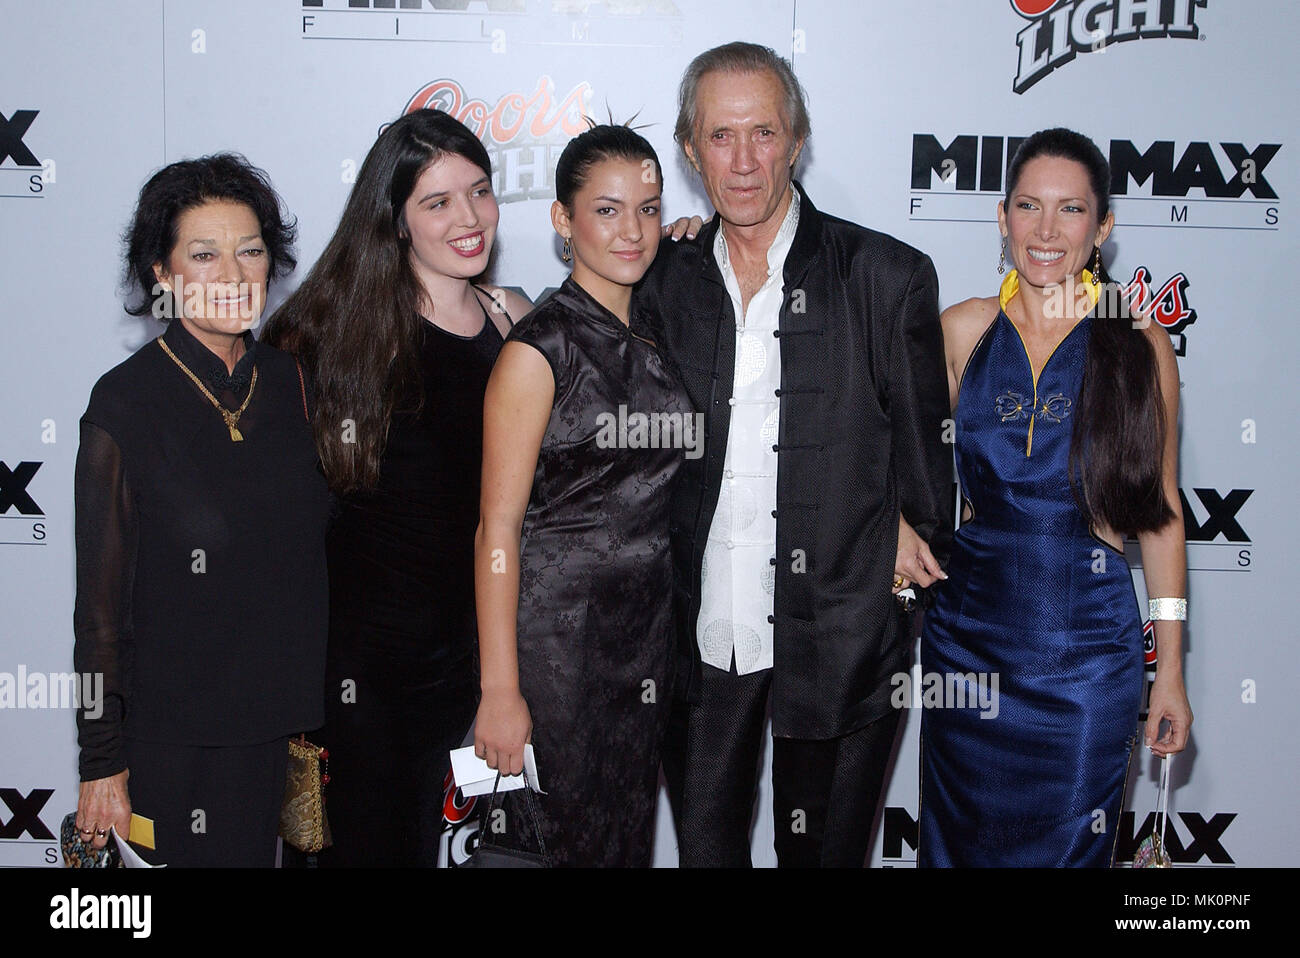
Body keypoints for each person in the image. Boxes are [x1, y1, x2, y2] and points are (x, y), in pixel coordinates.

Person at [635, 42, 953, 867]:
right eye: (720, 136)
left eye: (764, 133)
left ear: (798, 140)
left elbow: (929, 477)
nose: (743, 162)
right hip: (701, 643)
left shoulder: (885, 276)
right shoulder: (660, 280)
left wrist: (897, 538)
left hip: (841, 640)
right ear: (690, 147)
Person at [916, 127, 1193, 867]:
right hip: (966, 651)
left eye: (1070, 211)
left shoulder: (1138, 340)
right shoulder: (961, 330)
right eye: (1028, 207)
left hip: (1086, 662)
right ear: (1002, 216)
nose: (1045, 231)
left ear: (1101, 227)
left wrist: (1169, 670)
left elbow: (1161, 515)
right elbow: (901, 473)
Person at [263, 109, 532, 867]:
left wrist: (681, 244)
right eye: (438, 202)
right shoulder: (325, 331)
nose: (469, 218)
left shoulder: (514, 319)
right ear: (396, 218)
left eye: (479, 192)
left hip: (475, 663)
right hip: (359, 675)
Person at [73, 154, 331, 866]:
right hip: (172, 745)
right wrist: (100, 761)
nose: (233, 275)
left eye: (250, 252)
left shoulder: (295, 385)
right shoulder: (125, 403)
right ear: (162, 272)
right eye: (204, 254)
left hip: (284, 737)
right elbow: (98, 613)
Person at [473, 124, 692, 867]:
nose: (632, 231)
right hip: (557, 648)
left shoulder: (663, 323)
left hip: (646, 642)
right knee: (553, 848)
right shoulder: (540, 350)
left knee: (621, 845)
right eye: (606, 210)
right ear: (563, 220)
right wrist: (501, 689)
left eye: (649, 208)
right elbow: (496, 530)